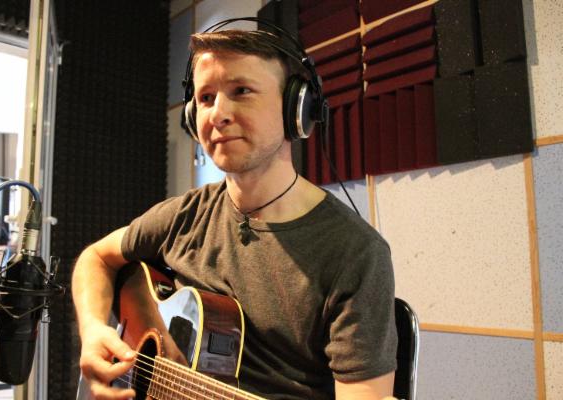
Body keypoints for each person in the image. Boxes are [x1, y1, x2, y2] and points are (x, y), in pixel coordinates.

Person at [72, 26, 398, 400]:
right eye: (206, 98)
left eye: (241, 91)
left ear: (295, 109)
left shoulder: (355, 253)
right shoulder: (184, 216)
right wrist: (93, 330)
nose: (218, 114)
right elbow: (96, 258)